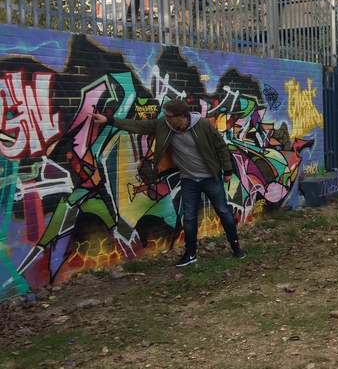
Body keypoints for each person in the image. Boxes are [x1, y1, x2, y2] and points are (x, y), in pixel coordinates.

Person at [92, 99, 245, 267]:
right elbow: (138, 126)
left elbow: (220, 147)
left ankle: (236, 247)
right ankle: (191, 253)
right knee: (189, 218)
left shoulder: (203, 125)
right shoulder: (164, 125)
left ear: (181, 116)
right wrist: (109, 120)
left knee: (223, 211)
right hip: (188, 180)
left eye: (169, 116)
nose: (166, 118)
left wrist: (228, 171)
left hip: (210, 177)